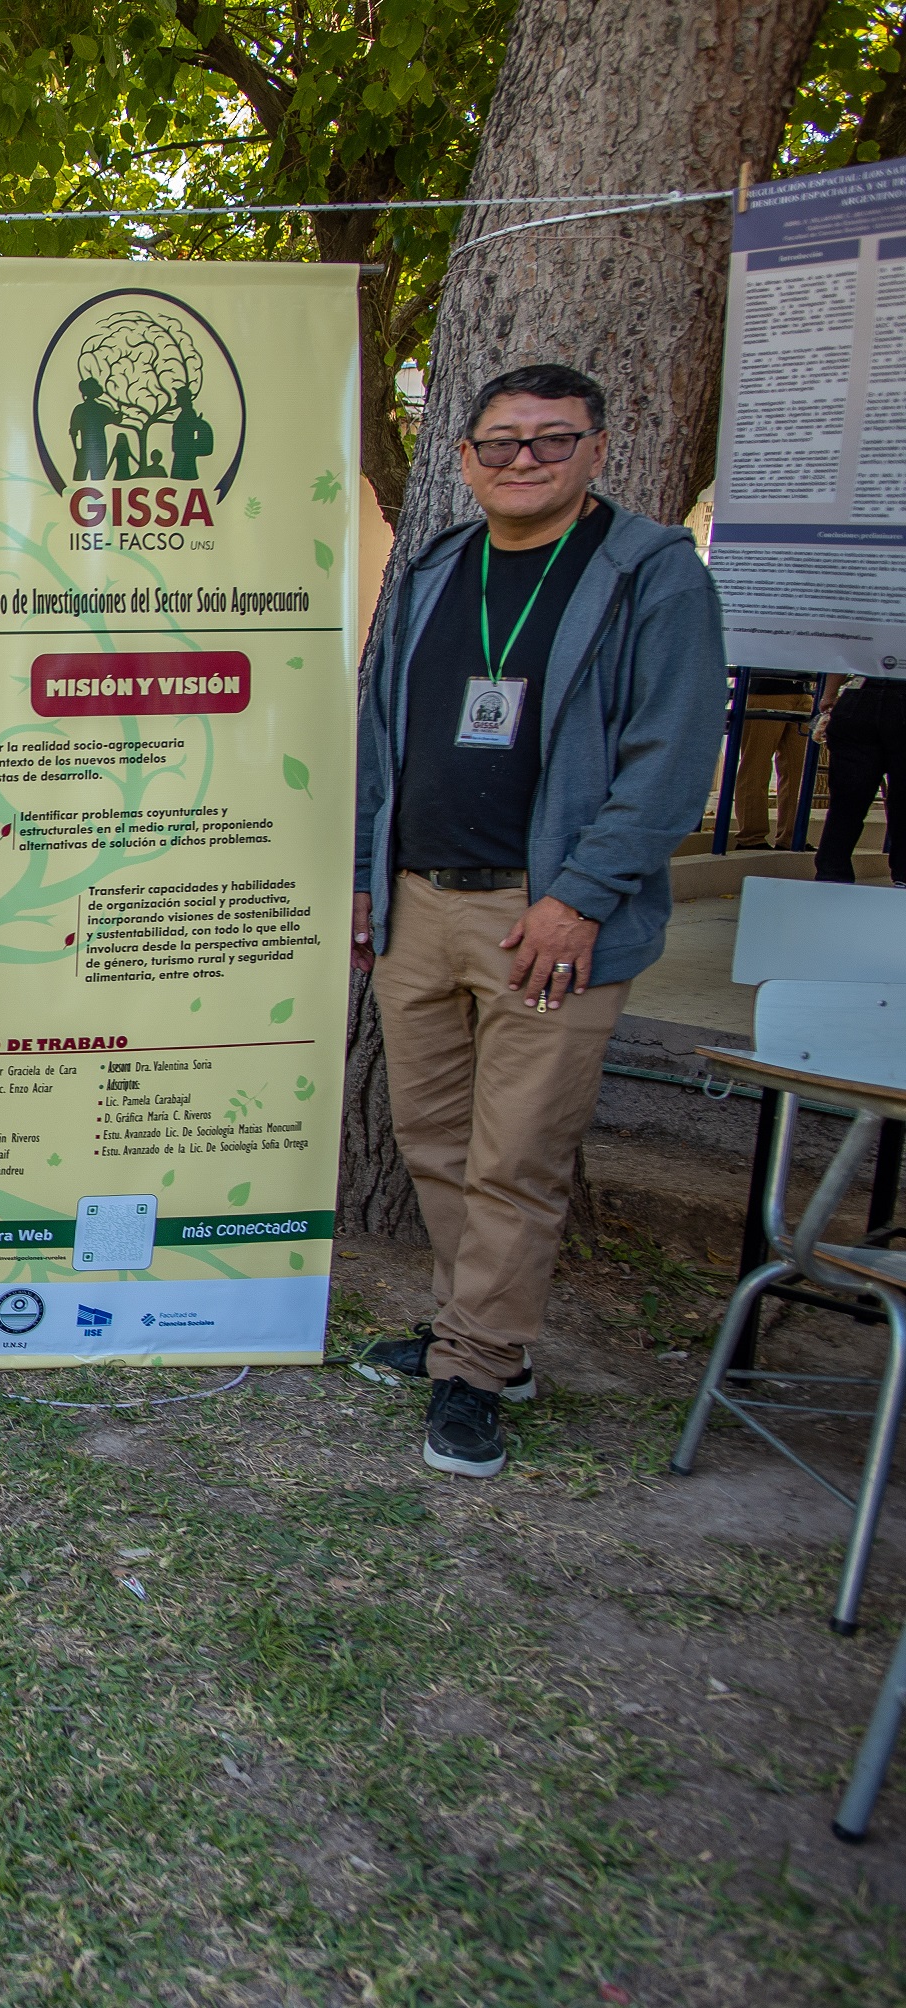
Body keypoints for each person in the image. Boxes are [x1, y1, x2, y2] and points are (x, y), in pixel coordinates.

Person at [352, 363, 726, 1480]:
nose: (522, 460)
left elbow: (669, 759)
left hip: (547, 917)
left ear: (597, 449)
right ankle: (477, 1333)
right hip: (417, 901)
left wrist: (579, 899)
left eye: (549, 440)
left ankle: (474, 1370)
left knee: (515, 1155)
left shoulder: (647, 577)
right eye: (499, 443)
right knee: (429, 1135)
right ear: (462, 459)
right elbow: (381, 735)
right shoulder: (432, 571)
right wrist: (370, 874)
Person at [813, 672, 905, 884]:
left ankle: (832, 873)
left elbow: (842, 653)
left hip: (860, 696)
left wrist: (828, 697)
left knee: (846, 801)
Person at [729, 671, 819, 849]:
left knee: (798, 772)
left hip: (803, 691)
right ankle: (751, 838)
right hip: (763, 690)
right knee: (756, 765)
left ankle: (792, 836)